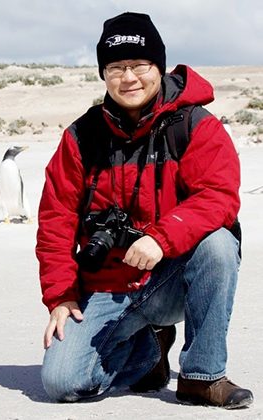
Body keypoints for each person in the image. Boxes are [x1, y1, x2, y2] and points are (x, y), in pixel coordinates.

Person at [36, 11, 253, 409]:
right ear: (103, 73)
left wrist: (161, 237)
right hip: (107, 284)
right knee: (61, 383)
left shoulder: (194, 126)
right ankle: (149, 350)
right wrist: (61, 296)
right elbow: (56, 219)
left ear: (159, 66)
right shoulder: (81, 138)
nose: (128, 77)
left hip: (171, 278)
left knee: (219, 243)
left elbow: (219, 195)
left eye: (139, 64)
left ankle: (201, 377)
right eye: (116, 67)